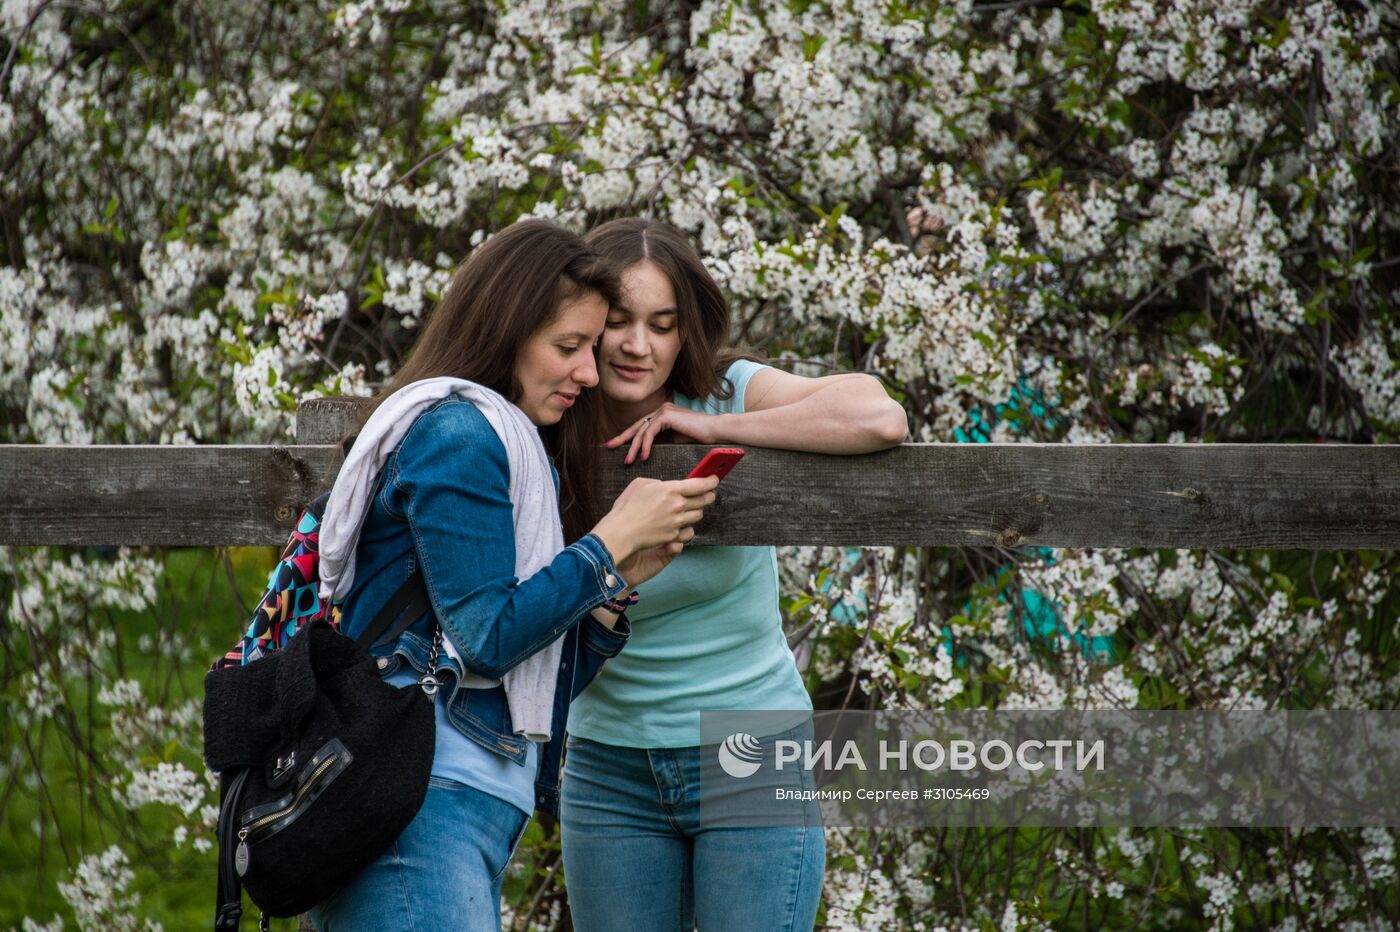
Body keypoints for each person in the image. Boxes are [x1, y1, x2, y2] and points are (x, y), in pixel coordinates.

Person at [307, 219, 719, 932]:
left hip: (458, 805)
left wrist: (609, 585)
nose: (589, 373)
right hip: (419, 806)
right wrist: (603, 544)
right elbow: (487, 639)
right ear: (507, 331)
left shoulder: (507, 443)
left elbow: (525, 663)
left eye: (591, 348)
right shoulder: (460, 435)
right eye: (569, 348)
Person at [560, 218, 909, 931]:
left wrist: (710, 429)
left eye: (662, 325)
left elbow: (878, 417)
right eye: (619, 322)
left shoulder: (725, 390)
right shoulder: (556, 406)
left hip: (750, 756)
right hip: (607, 766)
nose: (638, 345)